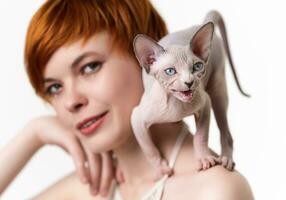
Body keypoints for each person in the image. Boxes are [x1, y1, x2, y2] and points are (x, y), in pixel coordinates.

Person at [0, 0, 254, 199]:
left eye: (90, 67)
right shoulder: (86, 189)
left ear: (145, 59)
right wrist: (35, 133)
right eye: (55, 87)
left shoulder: (215, 190)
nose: (70, 102)